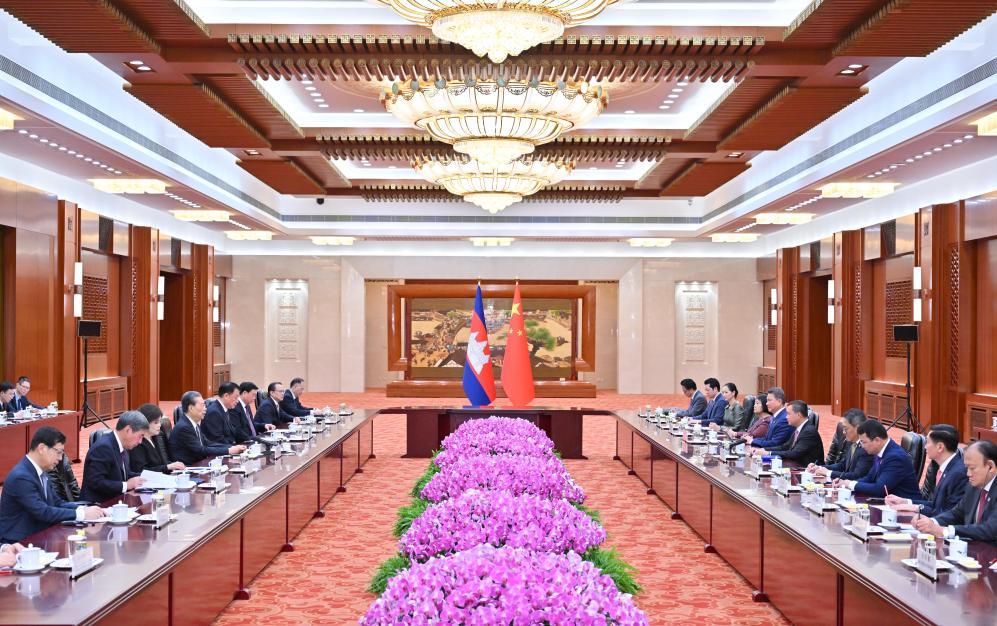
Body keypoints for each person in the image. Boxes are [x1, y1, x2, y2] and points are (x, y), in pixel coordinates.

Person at [0, 427, 103, 544]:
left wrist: (84, 509)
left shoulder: (40, 471)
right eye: (58, 452)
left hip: (39, 536)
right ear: (42, 448)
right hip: (18, 543)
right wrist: (82, 514)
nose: (60, 458)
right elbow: (43, 512)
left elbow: (57, 503)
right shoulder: (21, 477)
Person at [914, 440, 997, 544]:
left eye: (972, 468)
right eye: (967, 468)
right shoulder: (973, 486)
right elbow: (957, 513)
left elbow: (990, 530)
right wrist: (932, 522)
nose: (968, 474)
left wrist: (945, 531)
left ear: (990, 466)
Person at [887, 425, 967, 517]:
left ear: (940, 447)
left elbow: (950, 513)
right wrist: (906, 502)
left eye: (927, 442)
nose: (925, 447)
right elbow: (937, 505)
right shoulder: (944, 467)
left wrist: (917, 508)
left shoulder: (958, 474)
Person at [837, 419, 921, 500]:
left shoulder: (895, 457)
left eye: (863, 442)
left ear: (877, 440)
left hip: (906, 506)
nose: (861, 446)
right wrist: (846, 483)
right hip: (887, 502)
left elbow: (880, 489)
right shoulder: (880, 450)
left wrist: (850, 484)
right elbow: (869, 478)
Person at [80, 411, 148, 503]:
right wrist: (127, 485)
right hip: (98, 504)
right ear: (128, 430)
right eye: (140, 436)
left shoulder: (122, 445)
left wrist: (145, 478)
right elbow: (96, 482)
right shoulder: (104, 447)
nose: (140, 441)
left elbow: (124, 474)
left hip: (116, 501)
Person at [170, 391, 246, 466]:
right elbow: (201, 450)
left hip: (198, 464)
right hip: (188, 467)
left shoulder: (193, 423)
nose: (205, 409)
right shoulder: (184, 427)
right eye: (202, 405)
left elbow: (208, 443)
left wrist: (231, 447)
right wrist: (228, 451)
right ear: (191, 408)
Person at [808, 409, 873, 481]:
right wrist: (819, 468)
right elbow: (842, 465)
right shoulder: (852, 442)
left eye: (846, 429)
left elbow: (856, 476)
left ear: (858, 428)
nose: (843, 432)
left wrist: (828, 473)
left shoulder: (867, 448)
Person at [752, 400, 824, 465]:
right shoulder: (799, 428)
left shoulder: (808, 431)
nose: (786, 417)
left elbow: (794, 453)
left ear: (798, 415)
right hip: (796, 465)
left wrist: (768, 453)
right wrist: (764, 450)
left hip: (808, 470)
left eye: (788, 414)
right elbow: (785, 447)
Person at [130, 404, 185, 475]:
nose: (160, 425)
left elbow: (164, 462)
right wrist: (167, 467)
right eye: (156, 422)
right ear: (145, 423)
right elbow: (141, 471)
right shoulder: (137, 442)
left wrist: (174, 465)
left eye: (160, 421)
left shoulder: (157, 436)